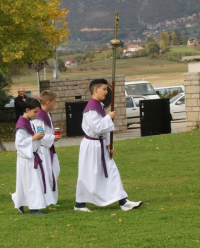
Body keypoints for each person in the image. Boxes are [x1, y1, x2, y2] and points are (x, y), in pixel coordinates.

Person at [75, 79, 142, 212]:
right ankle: (80, 204)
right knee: (88, 174)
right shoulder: (91, 108)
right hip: (91, 146)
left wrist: (108, 144)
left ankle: (123, 201)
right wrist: (108, 117)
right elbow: (97, 128)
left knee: (111, 171)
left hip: (100, 145)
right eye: (104, 89)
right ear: (96, 89)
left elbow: (104, 130)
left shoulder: (98, 106)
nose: (106, 92)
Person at [12, 98, 55, 215]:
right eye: (35, 112)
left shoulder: (29, 122)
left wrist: (39, 137)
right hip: (27, 158)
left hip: (32, 156)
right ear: (27, 110)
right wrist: (33, 138)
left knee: (25, 182)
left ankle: (20, 203)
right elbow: (19, 144)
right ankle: (33, 207)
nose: (37, 115)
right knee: (32, 183)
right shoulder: (21, 125)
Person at [33, 90, 61, 205]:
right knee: (47, 174)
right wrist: (52, 137)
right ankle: (47, 199)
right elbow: (40, 134)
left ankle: (50, 198)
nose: (55, 104)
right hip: (43, 149)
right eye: (54, 102)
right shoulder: (39, 117)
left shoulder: (46, 114)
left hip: (49, 148)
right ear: (48, 102)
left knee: (54, 171)